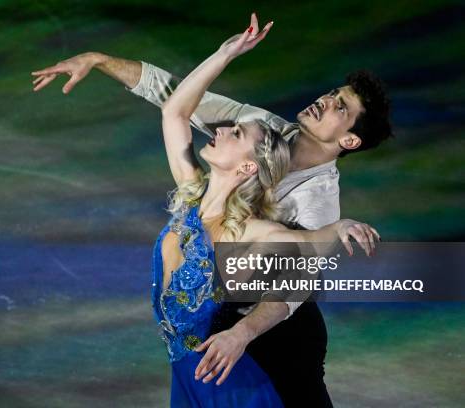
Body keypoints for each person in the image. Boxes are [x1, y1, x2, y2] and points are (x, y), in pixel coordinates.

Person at [31, 12, 390, 407]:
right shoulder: (255, 134)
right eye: (332, 93)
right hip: (213, 326)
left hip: (276, 334)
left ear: (351, 140)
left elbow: (294, 279)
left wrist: (243, 332)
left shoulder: (315, 200)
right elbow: (175, 100)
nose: (325, 100)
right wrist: (100, 60)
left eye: (340, 107)